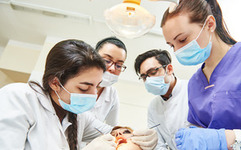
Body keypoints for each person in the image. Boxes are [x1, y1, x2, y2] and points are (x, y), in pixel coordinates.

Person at [0, 39, 158, 150]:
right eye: (84, 88)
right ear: (55, 82)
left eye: (96, 86)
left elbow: (110, 130)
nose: (93, 95)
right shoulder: (19, 97)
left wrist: (139, 136)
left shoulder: (79, 116)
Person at [161, 0, 241, 149]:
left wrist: (226, 139)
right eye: (172, 45)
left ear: (210, 24)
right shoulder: (194, 84)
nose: (177, 51)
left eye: (182, 40)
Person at [134, 49, 190, 149]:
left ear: (169, 69)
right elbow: (157, 143)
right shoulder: (153, 106)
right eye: (144, 77)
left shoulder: (191, 90)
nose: (149, 80)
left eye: (152, 72)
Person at [89, 37, 127, 126]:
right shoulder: (75, 82)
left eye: (119, 65)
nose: (112, 68)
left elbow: (113, 127)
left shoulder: (112, 94)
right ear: (93, 57)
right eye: (107, 61)